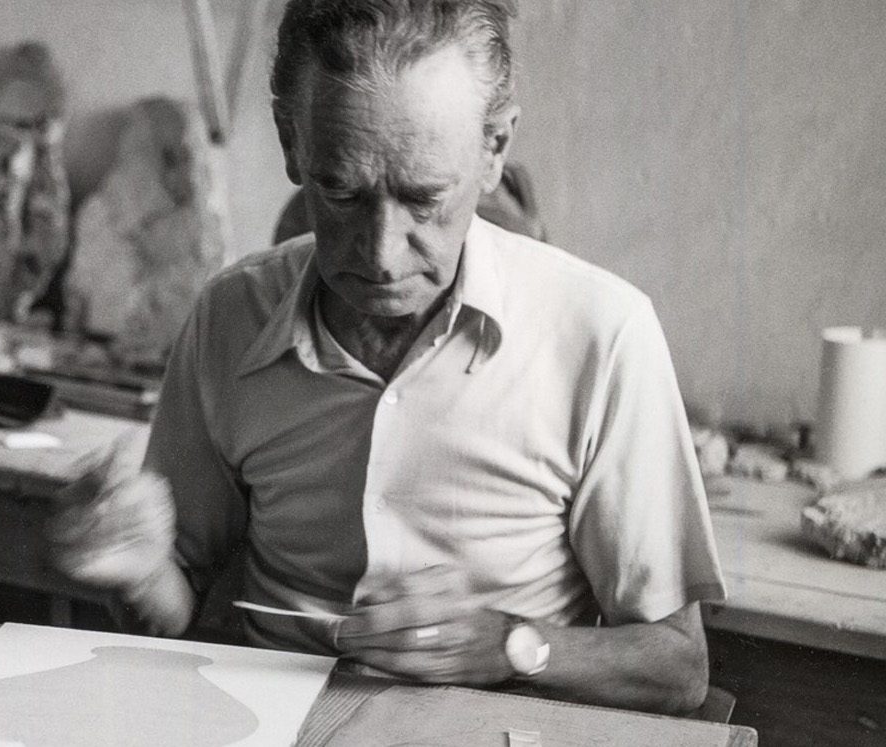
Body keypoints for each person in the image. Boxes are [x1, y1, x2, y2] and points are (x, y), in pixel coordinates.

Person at [48, 0, 725, 715]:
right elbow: (173, 603)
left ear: (495, 147)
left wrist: (508, 646)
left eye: (424, 198)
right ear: (292, 142)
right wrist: (138, 571)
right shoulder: (230, 318)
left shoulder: (601, 335)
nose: (380, 254)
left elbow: (679, 667)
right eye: (341, 192)